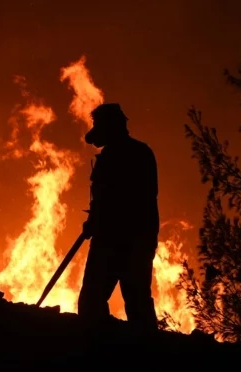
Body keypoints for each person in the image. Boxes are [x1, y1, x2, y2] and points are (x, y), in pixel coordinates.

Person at [78, 103, 160, 331]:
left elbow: (133, 197)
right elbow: (104, 198)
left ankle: (103, 348)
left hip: (123, 239)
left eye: (98, 126)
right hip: (130, 238)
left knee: (99, 299)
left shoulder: (129, 155)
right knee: (135, 301)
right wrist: (94, 218)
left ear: (110, 126)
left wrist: (100, 219)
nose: (95, 133)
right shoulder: (135, 153)